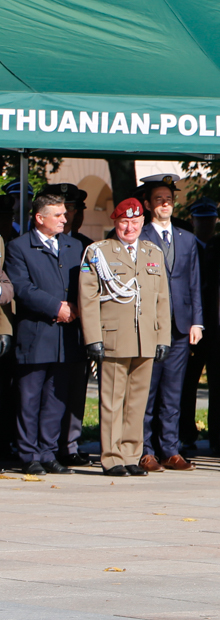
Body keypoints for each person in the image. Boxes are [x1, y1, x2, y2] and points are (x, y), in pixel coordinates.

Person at [80, 198, 172, 477]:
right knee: (112, 400)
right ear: (115, 223)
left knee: (137, 401)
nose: (129, 227)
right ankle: (111, 457)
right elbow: (87, 298)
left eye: (134, 222)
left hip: (146, 338)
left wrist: (163, 338)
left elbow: (162, 299)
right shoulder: (98, 252)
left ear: (143, 223)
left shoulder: (152, 252)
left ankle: (132, 454)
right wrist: (92, 338)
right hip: (114, 337)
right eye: (124, 222)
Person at [6, 191, 84, 474]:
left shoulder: (74, 246)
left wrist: (76, 306)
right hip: (37, 333)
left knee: (56, 397)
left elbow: (84, 284)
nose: (65, 219)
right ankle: (29, 455)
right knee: (30, 398)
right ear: (40, 218)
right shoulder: (19, 247)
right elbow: (23, 289)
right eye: (59, 214)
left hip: (67, 336)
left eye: (65, 214)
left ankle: (48, 452)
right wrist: (56, 307)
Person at [138, 175, 203, 472]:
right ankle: (145, 449)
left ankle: (170, 449)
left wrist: (196, 322)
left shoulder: (186, 238)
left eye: (169, 199)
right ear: (149, 204)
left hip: (179, 324)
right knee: (148, 389)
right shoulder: (139, 235)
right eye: (159, 199)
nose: (165, 204)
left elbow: (193, 283)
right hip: (149, 325)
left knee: (172, 392)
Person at [52, 183, 94, 468]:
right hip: (48, 322)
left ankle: (69, 444)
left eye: (75, 209)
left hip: (79, 326)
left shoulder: (86, 245)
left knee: (76, 388)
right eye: (66, 208)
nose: (70, 215)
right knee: (48, 390)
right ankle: (47, 445)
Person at [187, 199, 220, 456]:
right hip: (191, 325)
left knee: (219, 384)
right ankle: (186, 433)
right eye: (201, 219)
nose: (206, 224)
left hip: (215, 328)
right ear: (193, 221)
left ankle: (216, 435)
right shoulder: (187, 245)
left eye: (210, 219)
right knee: (186, 384)